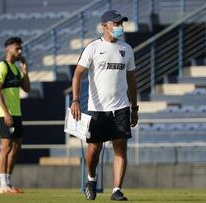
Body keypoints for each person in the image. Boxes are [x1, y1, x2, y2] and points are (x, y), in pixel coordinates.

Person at [70, 10, 138, 201]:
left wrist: (134, 107)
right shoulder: (92, 47)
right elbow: (77, 74)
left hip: (122, 107)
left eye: (121, 23)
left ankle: (116, 190)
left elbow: (132, 79)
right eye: (115, 23)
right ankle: (91, 179)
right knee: (93, 149)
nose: (119, 27)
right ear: (104, 26)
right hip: (98, 110)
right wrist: (76, 100)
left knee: (120, 147)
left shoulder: (127, 49)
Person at [0, 37, 30, 194]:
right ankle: (2, 185)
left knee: (17, 147)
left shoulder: (15, 69)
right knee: (6, 147)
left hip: (17, 113)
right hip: (5, 114)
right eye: (17, 48)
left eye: (20, 48)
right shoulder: (2, 67)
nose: (20, 51)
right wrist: (6, 113)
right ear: (8, 49)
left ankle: (8, 182)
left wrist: (25, 70)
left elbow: (27, 88)